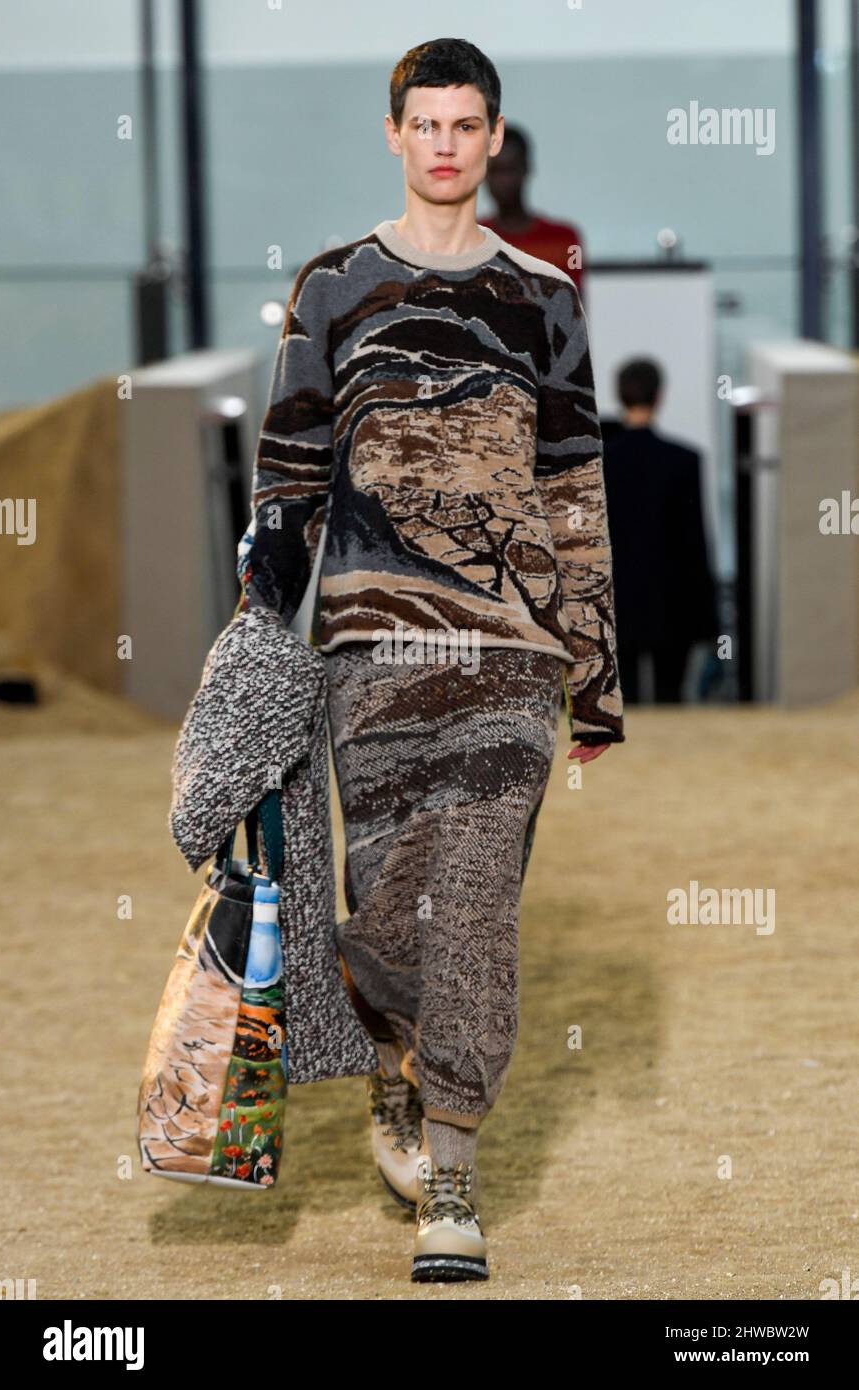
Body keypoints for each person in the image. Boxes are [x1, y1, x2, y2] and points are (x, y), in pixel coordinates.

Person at [236, 36, 624, 1283]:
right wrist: (257, 638)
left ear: (493, 140)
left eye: (468, 125)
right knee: (388, 900)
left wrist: (592, 678)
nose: (446, 143)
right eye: (427, 123)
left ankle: (450, 1173)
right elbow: (289, 476)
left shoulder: (542, 298)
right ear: (394, 135)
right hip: (369, 649)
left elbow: (573, 495)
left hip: (509, 656)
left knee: (472, 905)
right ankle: (389, 1060)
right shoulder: (332, 289)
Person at [602, 359, 719, 702]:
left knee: (626, 705)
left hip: (617, 605)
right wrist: (709, 621)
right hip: (674, 607)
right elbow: (695, 543)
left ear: (619, 395)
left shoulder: (600, 463)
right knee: (672, 701)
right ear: (660, 396)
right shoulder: (684, 460)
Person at [480, 124, 587, 301]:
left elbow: (575, 313)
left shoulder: (566, 241)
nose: (503, 181)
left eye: (510, 170)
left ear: (526, 169)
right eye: (495, 171)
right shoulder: (469, 241)